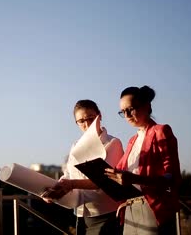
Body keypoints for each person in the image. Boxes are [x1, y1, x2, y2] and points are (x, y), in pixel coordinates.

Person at [104, 86, 181, 235]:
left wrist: (134, 178)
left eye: (130, 109)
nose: (126, 115)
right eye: (122, 112)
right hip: (130, 208)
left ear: (147, 106)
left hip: (153, 207)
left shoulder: (161, 131)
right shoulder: (132, 140)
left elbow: (171, 177)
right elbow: (120, 173)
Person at [42, 99, 124, 235]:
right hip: (81, 214)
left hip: (106, 213)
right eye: (81, 121)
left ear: (100, 116)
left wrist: (72, 184)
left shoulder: (113, 143)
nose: (87, 124)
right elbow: (68, 175)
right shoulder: (76, 145)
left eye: (91, 118)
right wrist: (53, 190)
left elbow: (104, 180)